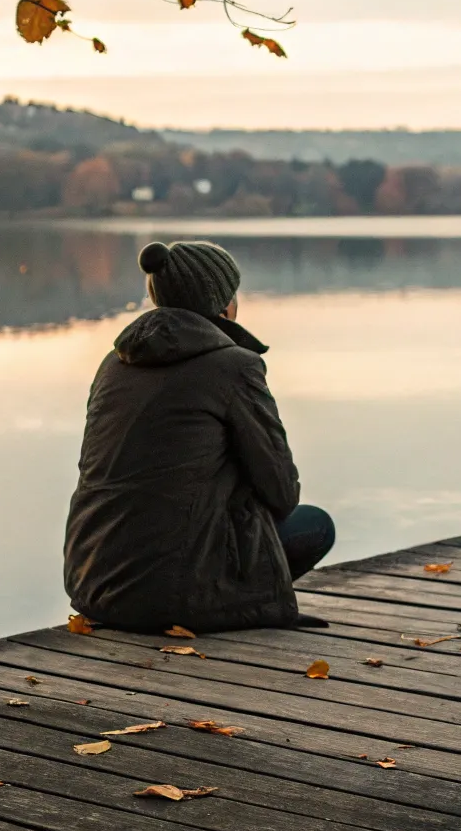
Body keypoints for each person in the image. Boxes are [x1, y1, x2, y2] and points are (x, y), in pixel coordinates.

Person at [63, 240, 335, 632]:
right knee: (315, 524)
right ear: (223, 304)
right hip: (174, 599)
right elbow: (281, 493)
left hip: (94, 586)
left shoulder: (115, 363)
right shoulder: (234, 366)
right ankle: (221, 603)